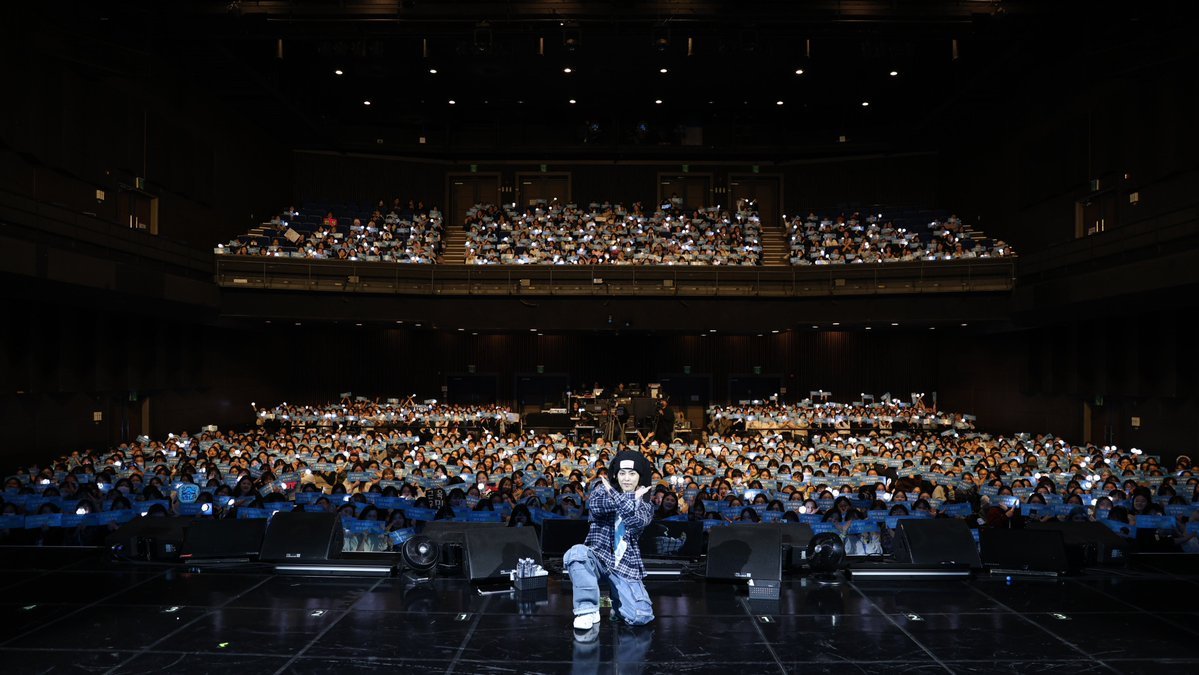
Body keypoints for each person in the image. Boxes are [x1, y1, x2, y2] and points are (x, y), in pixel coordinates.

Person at [564, 450, 656, 636]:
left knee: (641, 616)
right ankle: (587, 610)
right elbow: (597, 507)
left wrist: (622, 496)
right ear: (616, 475)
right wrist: (631, 497)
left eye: (632, 474)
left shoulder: (646, 504)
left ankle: (617, 602)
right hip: (598, 556)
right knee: (576, 553)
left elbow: (636, 521)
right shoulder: (600, 491)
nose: (627, 479)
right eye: (622, 473)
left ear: (640, 477)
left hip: (625, 565)